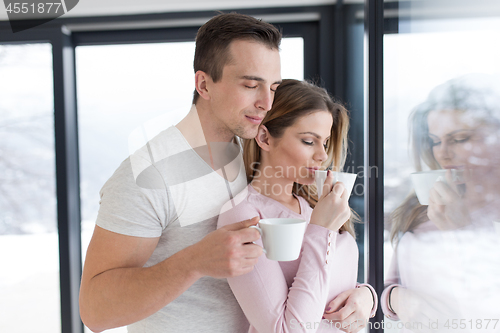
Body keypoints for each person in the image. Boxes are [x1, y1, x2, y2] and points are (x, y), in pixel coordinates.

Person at [79, 13, 282, 333]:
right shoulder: (147, 176)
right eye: (250, 85)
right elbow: (95, 311)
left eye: (272, 87)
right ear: (204, 84)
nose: (266, 102)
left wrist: (362, 296)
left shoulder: (254, 154)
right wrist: (194, 262)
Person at [217, 79, 378, 333]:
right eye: (308, 141)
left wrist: (367, 297)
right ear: (264, 138)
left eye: (324, 142)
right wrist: (321, 229)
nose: (322, 155)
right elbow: (286, 330)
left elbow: (328, 282)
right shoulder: (243, 215)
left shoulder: (315, 206)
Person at [381, 74, 500, 331]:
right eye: (435, 141)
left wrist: (462, 232)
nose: (443, 153)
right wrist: (396, 298)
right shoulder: (423, 204)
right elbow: (390, 285)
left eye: (459, 139)